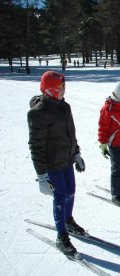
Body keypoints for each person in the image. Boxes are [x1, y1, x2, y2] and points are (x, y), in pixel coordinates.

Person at [28, 71, 86, 255]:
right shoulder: (38, 113)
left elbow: (71, 134)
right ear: (50, 89)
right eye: (60, 88)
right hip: (52, 163)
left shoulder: (65, 106)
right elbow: (36, 146)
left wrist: (76, 153)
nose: (63, 91)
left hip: (67, 159)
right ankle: (61, 236)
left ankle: (68, 220)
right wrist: (42, 176)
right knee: (60, 196)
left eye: (64, 87)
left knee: (71, 191)